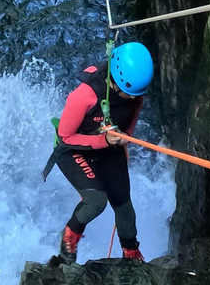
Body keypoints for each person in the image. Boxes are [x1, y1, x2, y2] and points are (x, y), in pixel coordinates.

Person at [42, 42, 154, 264]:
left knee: (123, 205)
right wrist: (105, 139)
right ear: (116, 80)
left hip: (109, 146)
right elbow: (66, 137)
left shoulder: (135, 96)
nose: (132, 99)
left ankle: (131, 253)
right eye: (128, 93)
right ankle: (69, 239)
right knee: (96, 202)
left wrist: (121, 138)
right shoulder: (84, 96)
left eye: (136, 95)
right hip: (73, 149)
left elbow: (128, 129)